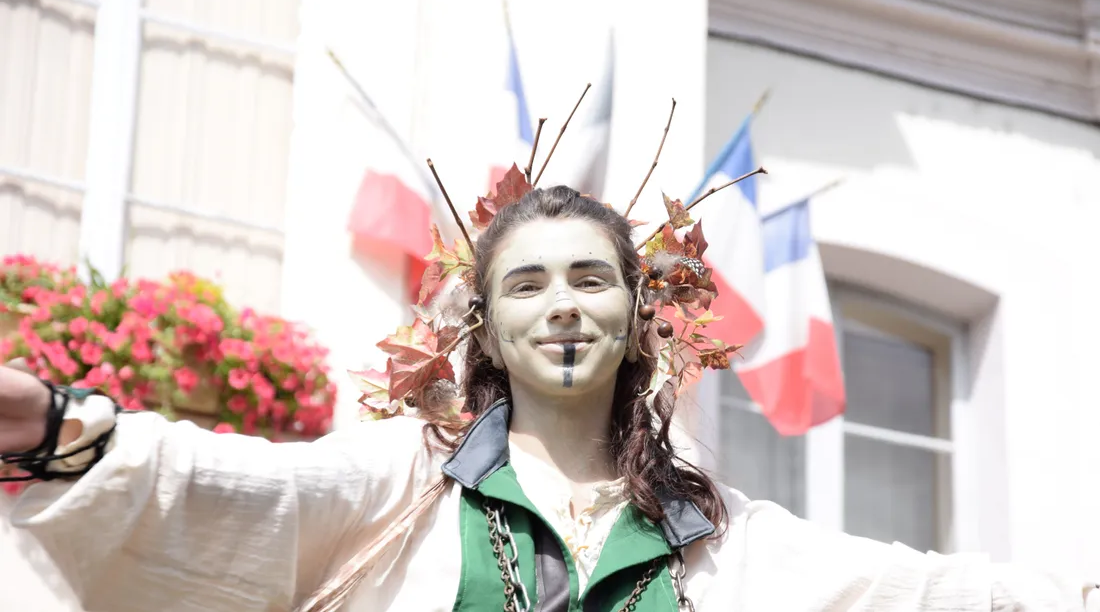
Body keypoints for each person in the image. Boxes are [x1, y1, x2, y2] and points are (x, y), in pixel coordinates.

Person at [0, 185, 1097, 611]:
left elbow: (927, 596)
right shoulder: (402, 491)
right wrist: (50, 425)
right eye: (525, 283)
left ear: (635, 315)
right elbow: (223, 494)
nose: (561, 307)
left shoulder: (719, 544)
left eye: (589, 279)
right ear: (484, 325)